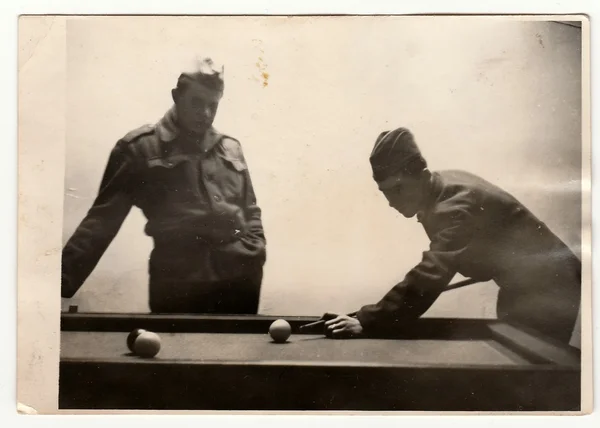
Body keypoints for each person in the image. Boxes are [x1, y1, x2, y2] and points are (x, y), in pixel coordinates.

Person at [324, 127, 581, 345]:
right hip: (524, 285)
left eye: (399, 188)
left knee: (533, 374)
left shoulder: (454, 207)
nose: (392, 201)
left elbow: (431, 274)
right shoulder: (442, 187)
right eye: (385, 192)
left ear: (422, 175)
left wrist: (369, 321)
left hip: (551, 287)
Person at [61, 57, 267, 314]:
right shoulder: (139, 148)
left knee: (237, 352)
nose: (205, 114)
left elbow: (251, 211)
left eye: (213, 105)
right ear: (176, 96)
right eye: (196, 102)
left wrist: (255, 253)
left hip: (240, 278)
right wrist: (56, 285)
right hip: (179, 282)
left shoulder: (230, 147)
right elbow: (101, 222)